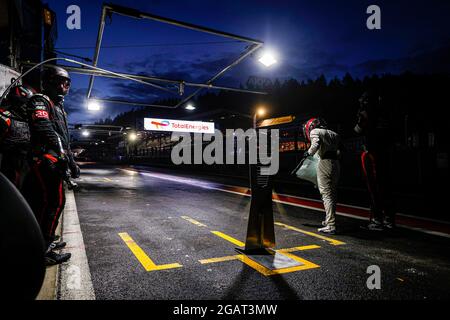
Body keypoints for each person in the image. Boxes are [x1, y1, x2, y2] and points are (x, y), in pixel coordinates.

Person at [24, 65, 80, 266]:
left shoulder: (59, 107)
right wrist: (62, 153)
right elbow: (43, 127)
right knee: (51, 203)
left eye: (68, 82)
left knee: (52, 203)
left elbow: (64, 140)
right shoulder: (40, 100)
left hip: (57, 162)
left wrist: (72, 163)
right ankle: (42, 249)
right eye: (61, 81)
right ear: (49, 82)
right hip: (45, 161)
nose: (66, 85)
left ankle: (45, 242)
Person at [355, 91, 395, 230]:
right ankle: (389, 218)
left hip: (371, 152)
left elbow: (357, 130)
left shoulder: (366, 113)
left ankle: (378, 219)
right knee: (386, 185)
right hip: (384, 152)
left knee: (374, 186)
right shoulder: (385, 113)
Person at [303, 117, 341, 234]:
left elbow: (315, 144)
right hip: (336, 164)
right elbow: (340, 150)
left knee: (326, 194)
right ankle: (329, 219)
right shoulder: (334, 133)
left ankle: (331, 225)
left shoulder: (315, 131)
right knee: (332, 193)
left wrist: (307, 153)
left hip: (325, 162)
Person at [0, 84, 35, 189]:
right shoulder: (4, 117)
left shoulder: (30, 121)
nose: (30, 108)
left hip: (27, 164)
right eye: (27, 105)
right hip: (10, 166)